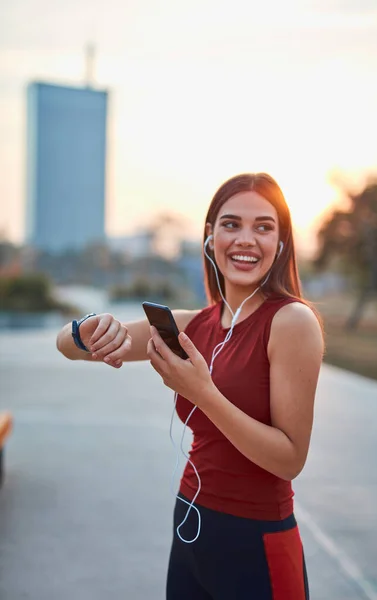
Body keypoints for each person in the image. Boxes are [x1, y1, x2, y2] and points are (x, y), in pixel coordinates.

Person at [56, 172, 324, 599]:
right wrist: (90, 327)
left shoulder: (292, 322)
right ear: (210, 236)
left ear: (282, 244)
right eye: (231, 224)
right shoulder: (191, 325)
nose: (246, 239)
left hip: (257, 540)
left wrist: (202, 392)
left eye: (264, 227)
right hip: (192, 526)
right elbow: (70, 346)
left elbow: (290, 460)